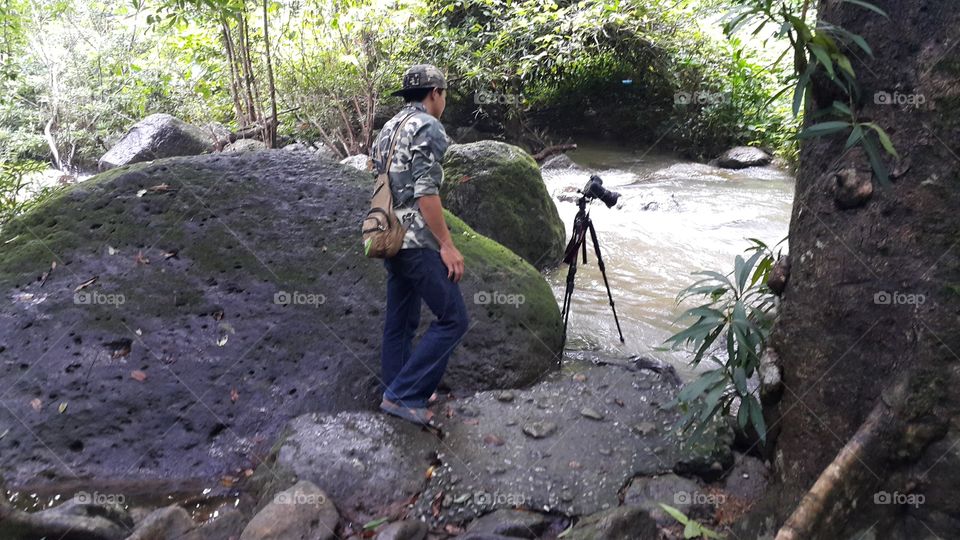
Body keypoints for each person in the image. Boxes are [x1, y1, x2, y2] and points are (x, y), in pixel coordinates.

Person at [372, 64, 469, 427]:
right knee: (453, 319)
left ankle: (397, 386)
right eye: (444, 94)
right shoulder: (429, 126)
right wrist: (446, 244)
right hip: (416, 241)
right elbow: (426, 191)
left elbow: (383, 180)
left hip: (388, 236)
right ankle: (403, 395)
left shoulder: (388, 127)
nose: (443, 101)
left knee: (401, 320)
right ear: (435, 93)